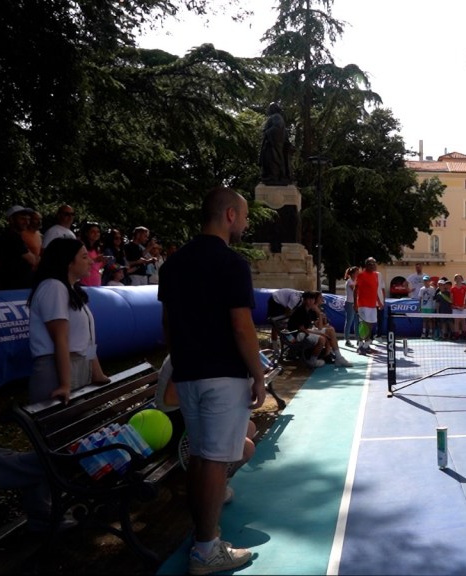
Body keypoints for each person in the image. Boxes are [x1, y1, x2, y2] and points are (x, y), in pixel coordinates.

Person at [158, 187, 264, 574]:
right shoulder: (232, 264)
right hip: (224, 376)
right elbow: (241, 326)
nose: (246, 223)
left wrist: (183, 362)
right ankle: (206, 549)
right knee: (215, 461)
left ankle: (204, 538)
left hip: (188, 373)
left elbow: (168, 324)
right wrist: (258, 375)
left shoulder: (173, 264)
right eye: (245, 215)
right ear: (230, 215)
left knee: (201, 458)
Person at [155, 355, 256, 504]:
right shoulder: (189, 354)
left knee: (249, 427)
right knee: (247, 449)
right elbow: (170, 398)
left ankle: (216, 477)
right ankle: (211, 487)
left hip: (187, 413)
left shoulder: (202, 350)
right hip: (174, 423)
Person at [27, 237, 109, 404]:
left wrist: (97, 372)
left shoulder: (71, 290)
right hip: (56, 369)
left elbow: (87, 339)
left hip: (78, 364)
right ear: (68, 262)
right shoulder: (53, 287)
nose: (91, 261)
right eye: (84, 257)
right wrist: (65, 384)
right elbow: (60, 338)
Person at [286, 291, 352, 368]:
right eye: (308, 299)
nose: (311, 301)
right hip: (296, 334)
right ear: (304, 300)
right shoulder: (301, 311)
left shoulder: (309, 310)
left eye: (312, 299)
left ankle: (339, 358)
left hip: (303, 331)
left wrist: (319, 314)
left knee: (330, 331)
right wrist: (320, 333)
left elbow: (311, 327)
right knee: (322, 339)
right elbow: (302, 329)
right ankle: (313, 361)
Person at [0, 205, 39, 291]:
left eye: (28, 219)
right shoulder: (12, 238)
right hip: (14, 288)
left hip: (12, 286)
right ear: (11, 219)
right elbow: (32, 260)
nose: (27, 222)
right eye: (22, 219)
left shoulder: (11, 236)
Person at [258, 102, 293, 185]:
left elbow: (278, 127)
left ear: (273, 109)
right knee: (271, 159)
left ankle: (274, 176)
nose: (268, 110)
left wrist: (267, 132)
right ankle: (272, 176)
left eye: (270, 108)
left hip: (273, 143)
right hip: (272, 142)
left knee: (272, 159)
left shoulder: (276, 116)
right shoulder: (275, 117)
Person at [353, 257, 381, 354]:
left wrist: (379, 302)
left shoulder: (375, 275)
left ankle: (366, 346)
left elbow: (374, 290)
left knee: (371, 325)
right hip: (363, 304)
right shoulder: (361, 275)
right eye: (370, 264)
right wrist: (355, 304)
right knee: (364, 325)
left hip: (372, 305)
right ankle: (360, 346)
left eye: (373, 263)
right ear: (366, 265)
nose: (372, 265)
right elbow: (355, 290)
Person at [79, 222, 105, 287]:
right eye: (93, 232)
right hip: (84, 283)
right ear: (86, 233)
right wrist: (95, 260)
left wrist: (104, 262)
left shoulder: (98, 248)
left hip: (96, 282)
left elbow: (97, 267)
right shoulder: (81, 247)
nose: (96, 234)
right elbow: (79, 263)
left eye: (98, 232)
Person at [343, 266, 360, 346]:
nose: (358, 274)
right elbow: (355, 290)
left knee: (357, 322)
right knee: (349, 321)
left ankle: (358, 339)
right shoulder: (349, 281)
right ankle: (347, 340)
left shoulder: (356, 281)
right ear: (353, 274)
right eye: (357, 272)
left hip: (356, 303)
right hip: (350, 303)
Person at [451, 274, 466, 340]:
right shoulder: (452, 289)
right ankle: (456, 335)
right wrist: (455, 306)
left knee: (463, 321)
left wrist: (464, 306)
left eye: (459, 278)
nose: (458, 280)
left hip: (463, 307)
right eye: (457, 278)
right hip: (456, 308)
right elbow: (451, 299)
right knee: (456, 321)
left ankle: (464, 335)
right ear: (455, 280)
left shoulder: (465, 288)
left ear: (462, 279)